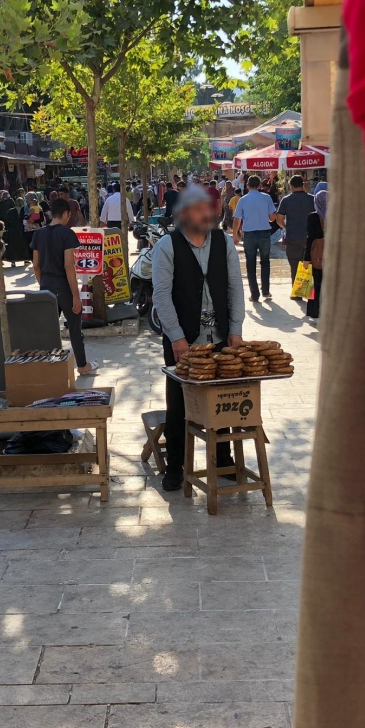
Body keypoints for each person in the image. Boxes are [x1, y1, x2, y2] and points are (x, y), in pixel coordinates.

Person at [152, 185, 245, 491]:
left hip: (218, 334)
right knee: (179, 403)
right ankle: (175, 465)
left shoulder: (222, 242)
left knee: (221, 399)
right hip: (183, 337)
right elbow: (161, 297)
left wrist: (235, 329)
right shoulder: (168, 245)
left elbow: (235, 288)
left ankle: (223, 457)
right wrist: (177, 337)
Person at [31, 199, 99, 376]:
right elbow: (69, 265)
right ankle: (82, 365)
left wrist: (43, 285)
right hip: (63, 287)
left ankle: (49, 366)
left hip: (46, 287)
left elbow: (36, 265)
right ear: (66, 214)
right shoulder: (67, 234)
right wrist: (76, 296)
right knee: (75, 329)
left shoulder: (38, 234)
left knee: (49, 330)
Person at [231, 175, 277, 302]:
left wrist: (235, 235)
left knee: (250, 264)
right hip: (264, 234)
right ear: (260, 186)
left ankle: (254, 294)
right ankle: (266, 291)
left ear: (247, 186)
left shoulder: (243, 200)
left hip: (249, 235)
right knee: (265, 262)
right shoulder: (266, 198)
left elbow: (237, 219)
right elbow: (272, 218)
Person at [276, 175, 315, 291]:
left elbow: (279, 219)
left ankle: (298, 291)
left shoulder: (286, 200)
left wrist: (286, 227)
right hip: (309, 236)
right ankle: (307, 289)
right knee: (308, 263)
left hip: (293, 236)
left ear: (291, 186)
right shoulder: (312, 199)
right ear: (303, 185)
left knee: (294, 264)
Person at [303, 183, 328, 320]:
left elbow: (310, 238)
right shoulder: (336, 216)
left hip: (316, 255)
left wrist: (306, 258)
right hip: (333, 255)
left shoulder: (313, 217)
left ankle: (316, 311)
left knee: (316, 283)